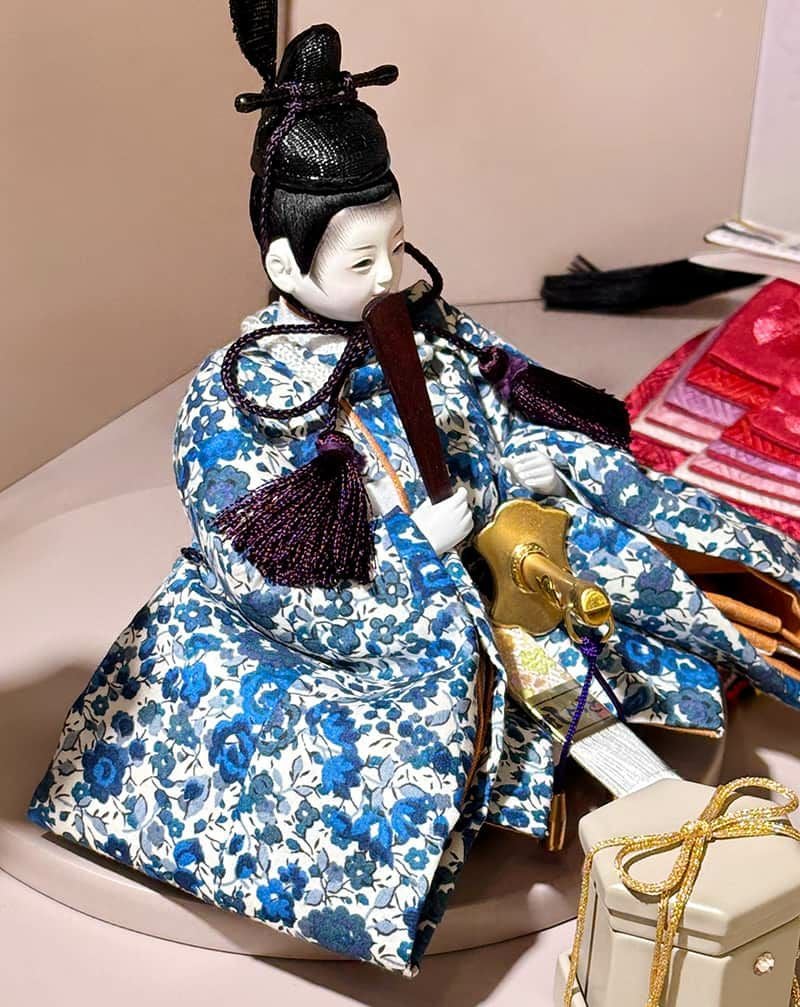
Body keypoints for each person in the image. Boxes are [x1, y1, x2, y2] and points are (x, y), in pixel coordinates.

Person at [29, 13, 800, 975]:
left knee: (620, 571)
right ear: (284, 265)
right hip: (352, 620)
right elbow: (253, 559)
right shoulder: (236, 396)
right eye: (360, 263)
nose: (389, 275)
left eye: (395, 246)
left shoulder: (423, 321)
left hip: (501, 558)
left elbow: (496, 400)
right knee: (325, 726)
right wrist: (410, 545)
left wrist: (524, 461)